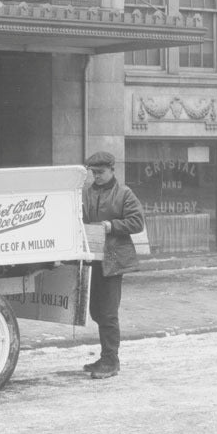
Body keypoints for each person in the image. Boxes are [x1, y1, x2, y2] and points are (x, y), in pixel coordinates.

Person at [82, 151, 145, 379]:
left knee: (108, 312)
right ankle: (105, 356)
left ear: (112, 170)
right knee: (96, 310)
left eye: (100, 172)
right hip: (93, 260)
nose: (96, 177)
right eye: (93, 173)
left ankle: (111, 360)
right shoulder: (87, 193)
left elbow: (137, 222)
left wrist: (112, 225)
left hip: (113, 260)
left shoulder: (124, 193)